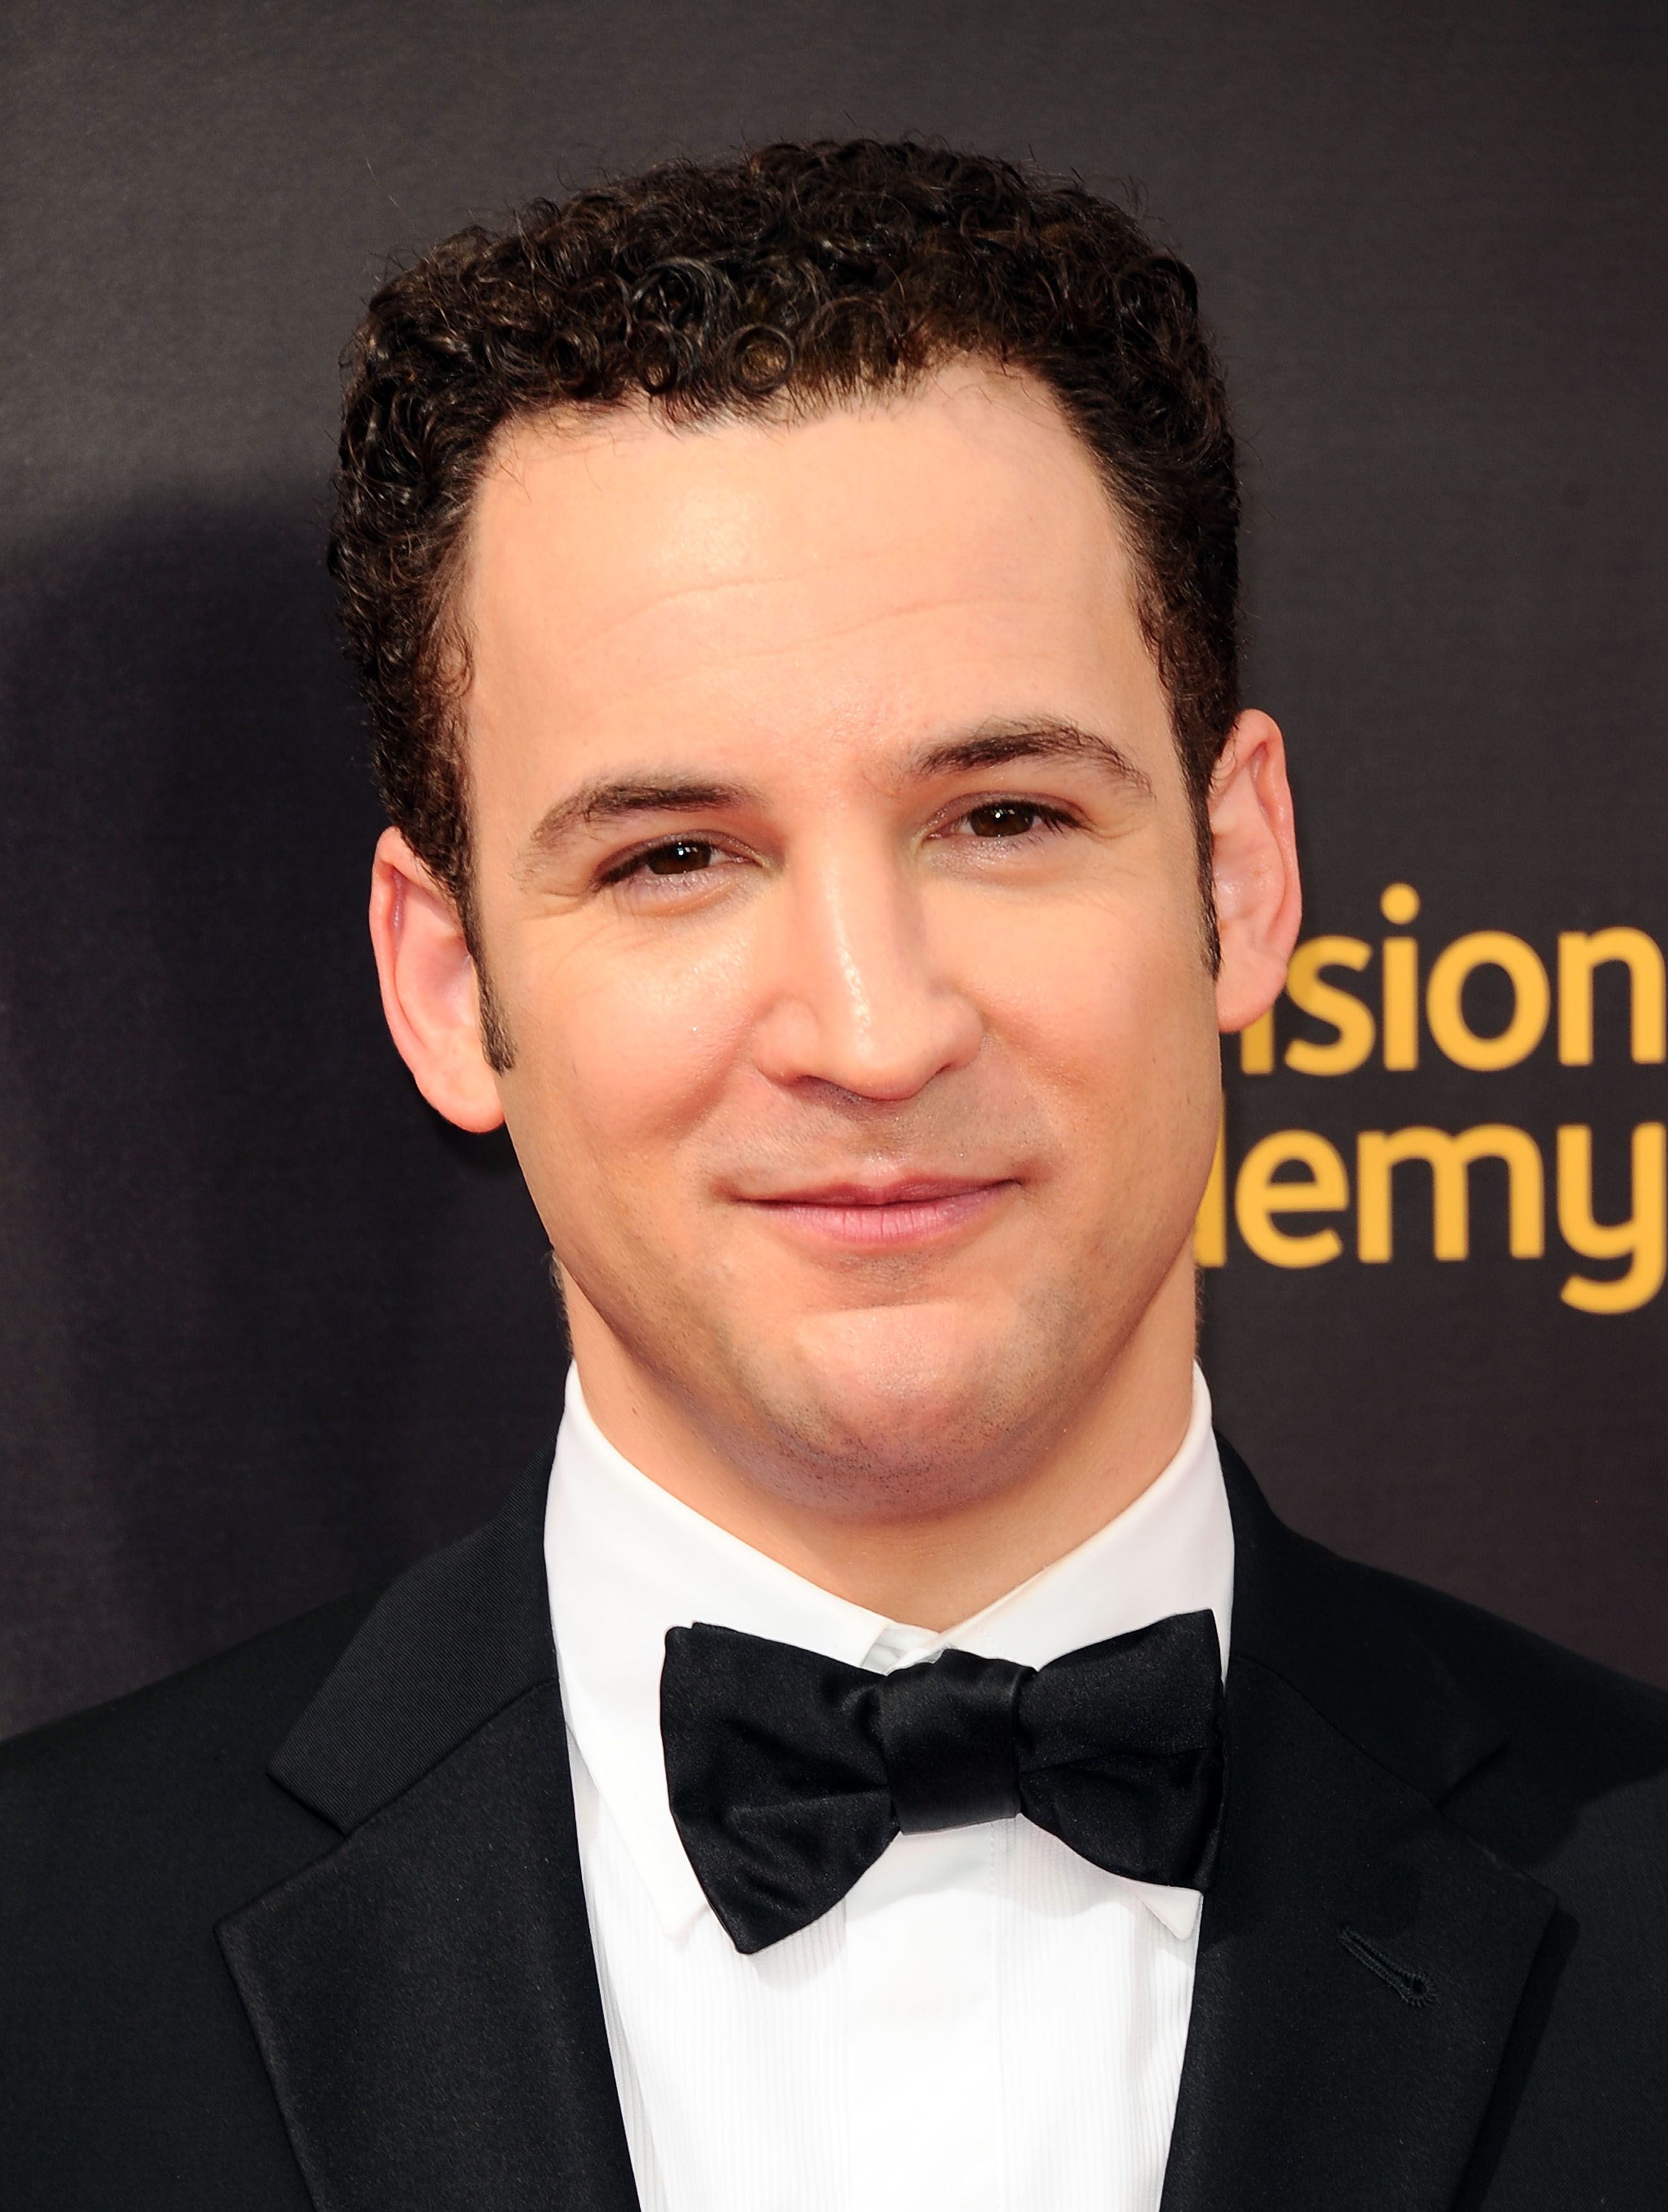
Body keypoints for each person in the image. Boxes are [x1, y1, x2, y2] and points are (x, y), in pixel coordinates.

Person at [1, 138, 1664, 2212]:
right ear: (447, 984)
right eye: (672, 858)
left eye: (1002, 816)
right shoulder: (39, 1979)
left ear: (1237, 878)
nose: (872, 1030)